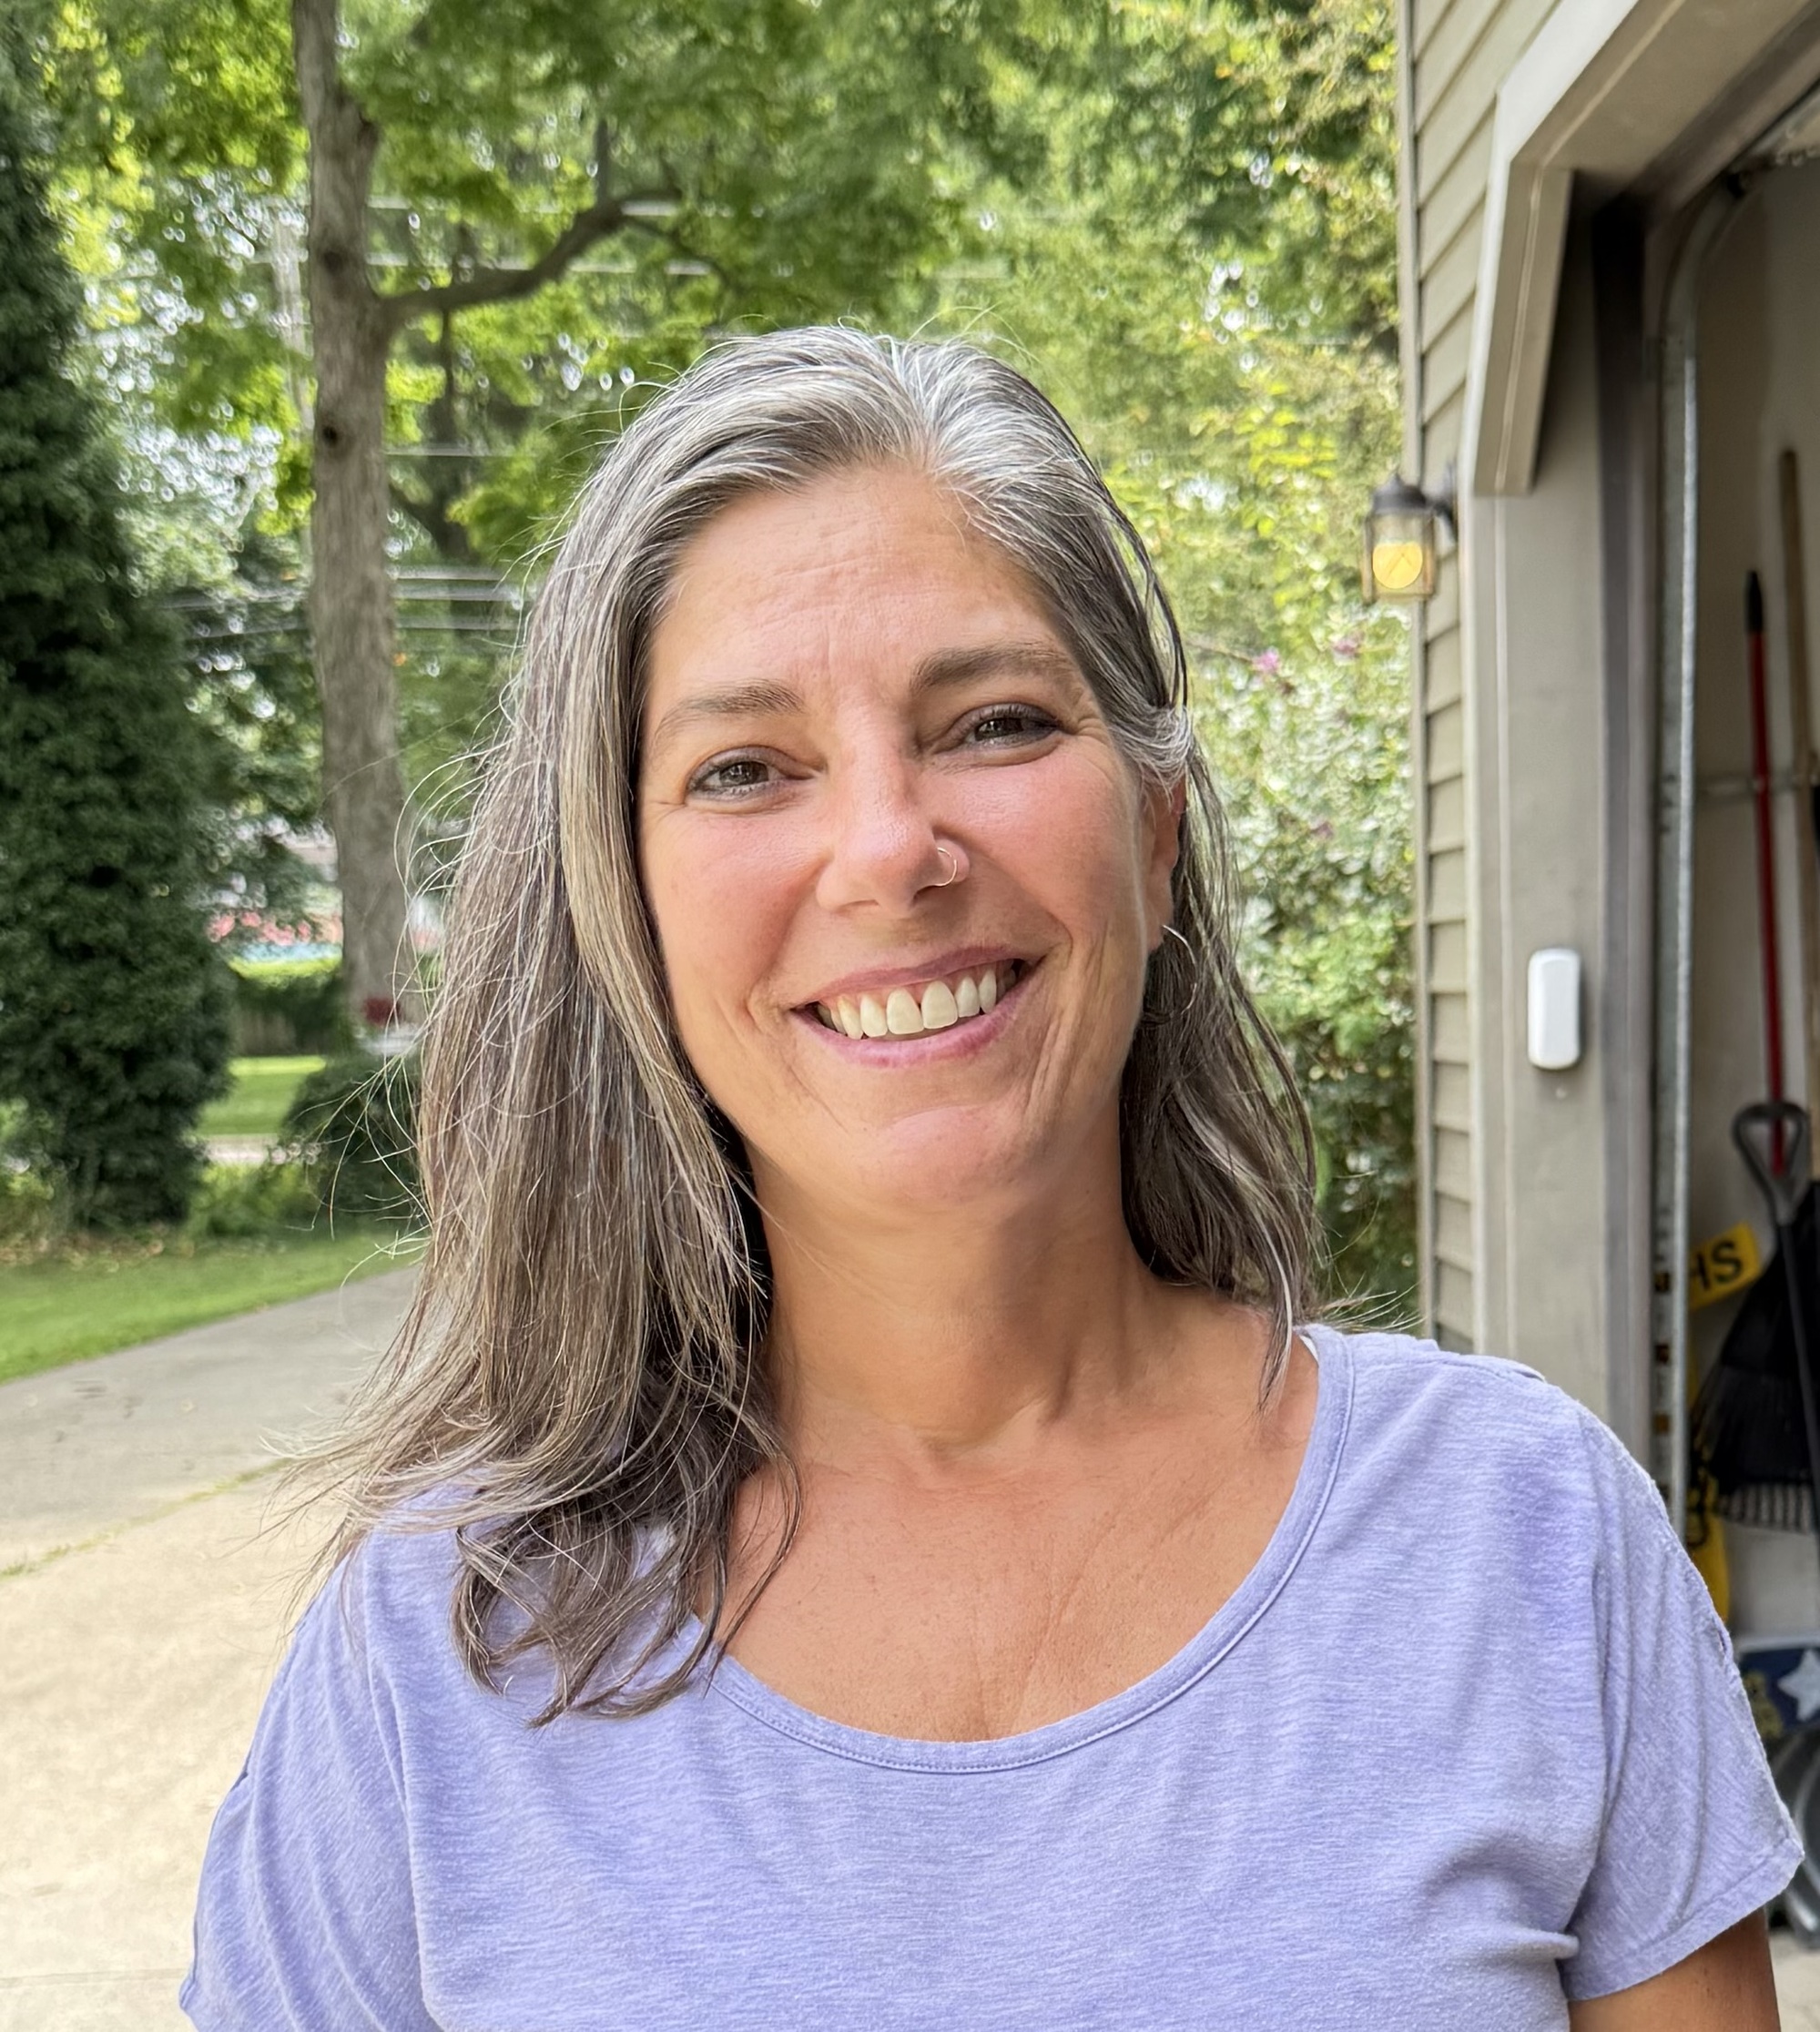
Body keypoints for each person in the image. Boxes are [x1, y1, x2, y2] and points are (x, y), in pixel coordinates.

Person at [184, 330, 1797, 2030]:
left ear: (1154, 838)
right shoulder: (436, 1655)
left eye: (995, 723)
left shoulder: (1521, 1539)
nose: (888, 848)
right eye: (744, 767)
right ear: (624, 906)